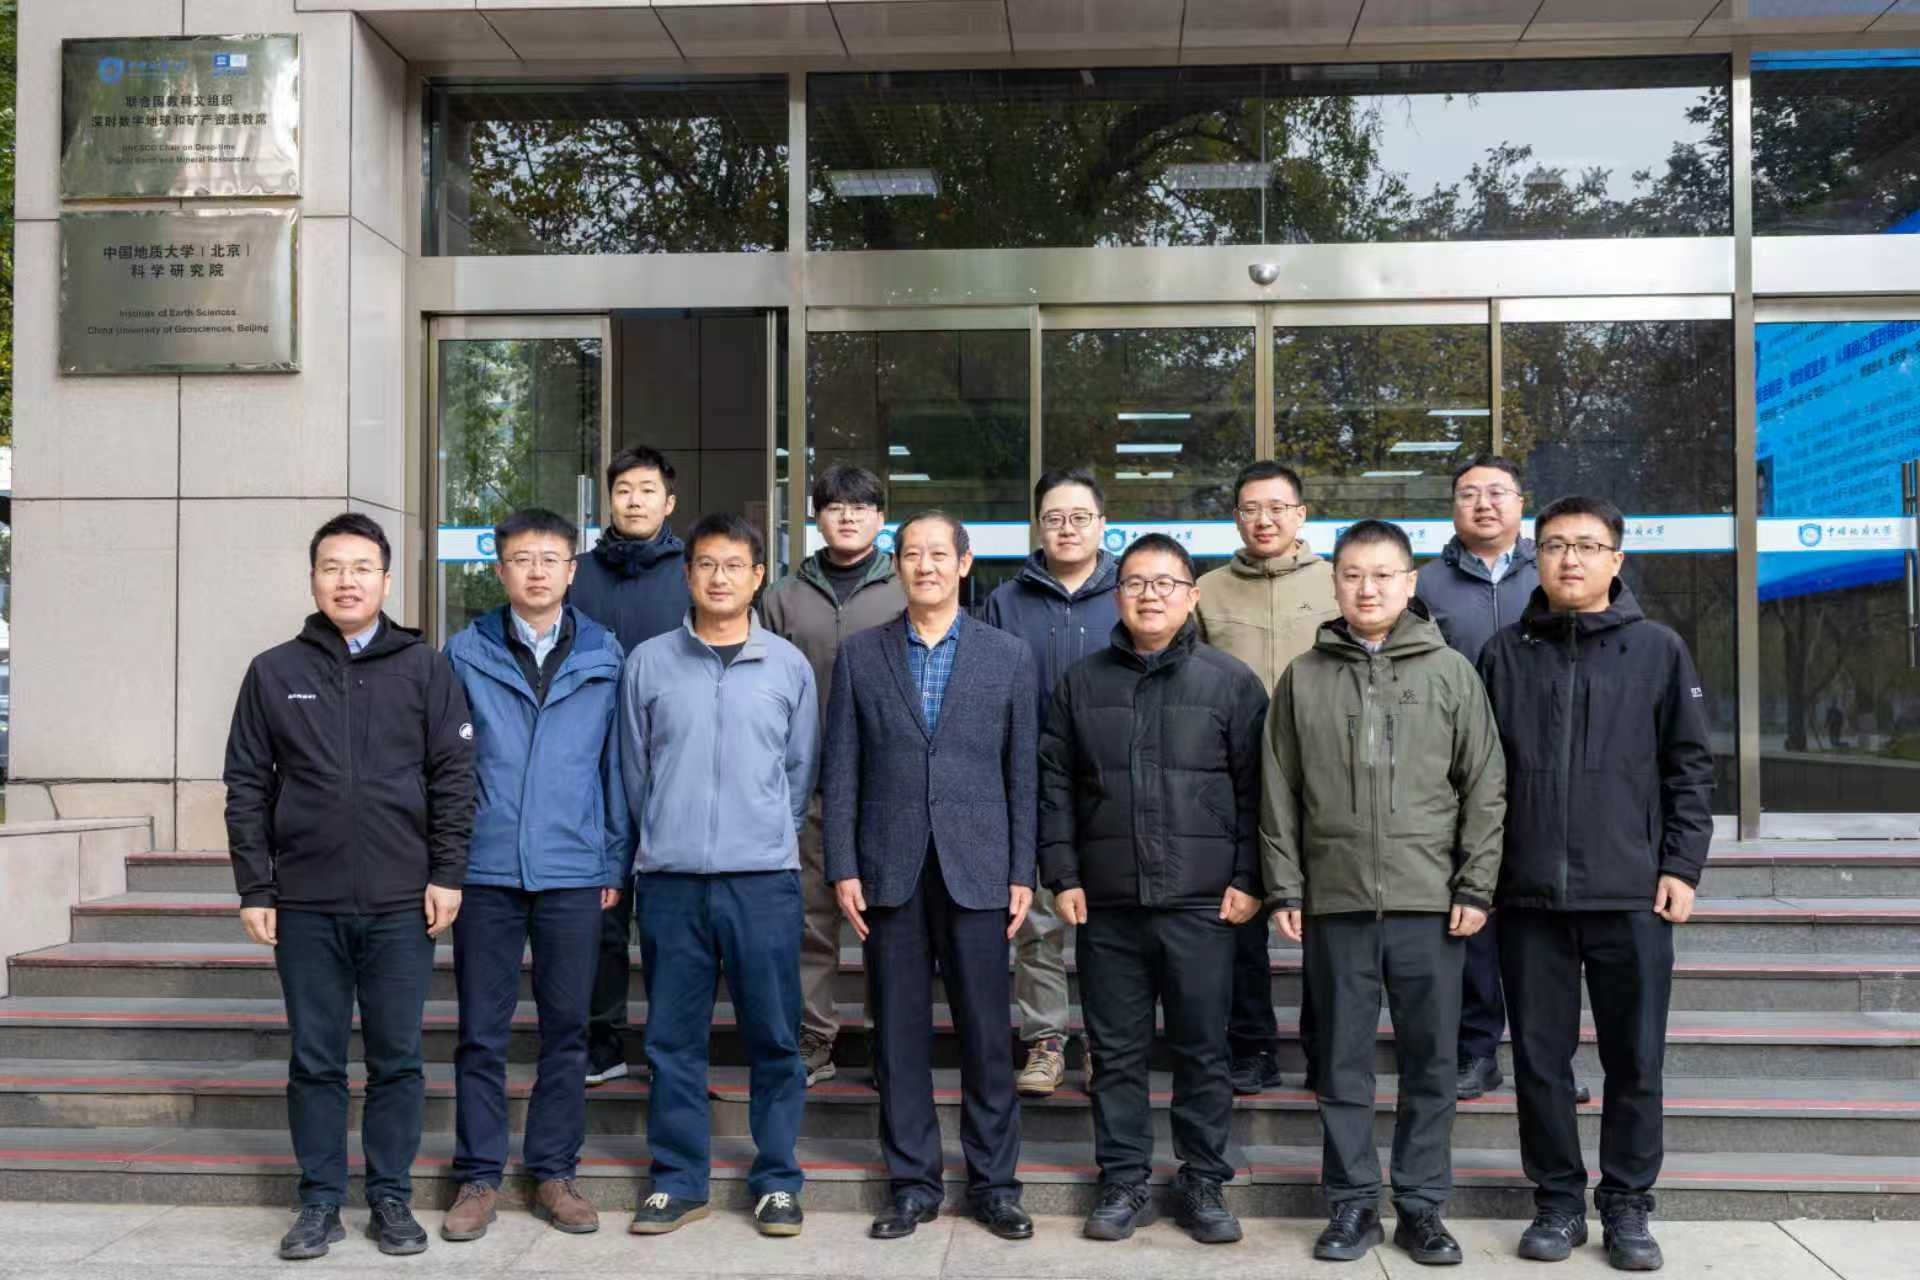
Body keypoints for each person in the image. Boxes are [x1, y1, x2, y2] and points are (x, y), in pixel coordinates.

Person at [223, 512, 475, 1261]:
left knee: (398, 1057)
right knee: (315, 1059)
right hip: (306, 902)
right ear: (313, 579)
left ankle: (391, 1197)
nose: (347, 581)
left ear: (386, 581)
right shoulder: (274, 671)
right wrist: (255, 886)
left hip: (402, 902)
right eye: (332, 567)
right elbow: (246, 785)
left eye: (362, 568)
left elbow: (454, 777)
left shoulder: (424, 668)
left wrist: (447, 874)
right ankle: (320, 1201)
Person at [1477, 496, 1714, 1272]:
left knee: (1635, 1060)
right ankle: (1555, 1201)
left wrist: (1680, 865)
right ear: (1535, 559)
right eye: (1554, 546)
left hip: (1631, 891)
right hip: (1527, 895)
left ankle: (1627, 1202)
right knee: (1540, 1062)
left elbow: (1689, 768)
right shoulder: (1503, 653)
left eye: (1586, 545)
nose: (1569, 559)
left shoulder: (1658, 650)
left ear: (1617, 558)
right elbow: (1477, 776)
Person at [1260, 518, 1504, 1267]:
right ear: (1334, 583)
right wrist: (1285, 887)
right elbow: (1278, 791)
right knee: (1341, 1063)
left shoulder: (1451, 672)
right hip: (1335, 902)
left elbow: (1485, 786)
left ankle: (1422, 1207)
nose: (1367, 589)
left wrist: (1475, 884)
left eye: (1382, 575)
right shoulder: (1303, 677)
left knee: (1431, 1063)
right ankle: (1353, 1204)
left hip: (1429, 902)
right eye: (1353, 575)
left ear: (1409, 583)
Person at [1039, 533, 1266, 1245]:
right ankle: (1123, 1179)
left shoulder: (1231, 682)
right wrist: (1062, 874)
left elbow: (1258, 792)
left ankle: (1203, 1181)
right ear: (1118, 595)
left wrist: (1250, 878)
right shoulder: (1080, 683)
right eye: (1136, 582)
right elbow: (1054, 787)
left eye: (1166, 583)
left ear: (1192, 597)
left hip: (1204, 903)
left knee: (1203, 1050)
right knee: (1116, 1053)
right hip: (1108, 903)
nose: (1150, 595)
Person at [824, 511, 1038, 1243]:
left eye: (939, 554)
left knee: (987, 1036)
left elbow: (1022, 774)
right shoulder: (861, 655)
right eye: (911, 554)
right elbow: (841, 769)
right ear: (898, 565)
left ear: (964, 562)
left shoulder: (1008, 656)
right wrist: (843, 865)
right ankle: (912, 1185)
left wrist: (1022, 868)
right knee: (897, 1038)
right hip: (890, 868)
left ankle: (995, 1186)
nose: (926, 566)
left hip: (980, 869)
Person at [619, 513, 820, 1238]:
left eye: (735, 565)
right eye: (706, 564)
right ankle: (678, 1181)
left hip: (762, 881)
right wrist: (664, 835)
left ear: (758, 576)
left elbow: (798, 772)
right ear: (687, 573)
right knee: (672, 1040)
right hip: (671, 883)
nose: (719, 577)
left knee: (775, 1037)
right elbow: (634, 772)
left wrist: (761, 833)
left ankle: (777, 1180)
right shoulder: (648, 663)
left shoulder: (788, 667)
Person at [441, 508, 633, 1243]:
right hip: (486, 869)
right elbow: (446, 768)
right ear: (500, 570)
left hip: (573, 868)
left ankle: (555, 1171)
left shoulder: (604, 653)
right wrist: (447, 861)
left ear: (572, 569)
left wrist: (612, 857)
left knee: (568, 1031)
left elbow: (617, 766)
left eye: (551, 559)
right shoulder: (464, 653)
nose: (537, 571)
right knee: (480, 1033)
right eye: (522, 559)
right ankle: (478, 1177)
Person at [760, 463, 907, 1086]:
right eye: (835, 506)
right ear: (817, 517)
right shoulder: (782, 598)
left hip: (892, 789)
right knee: (811, 922)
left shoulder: (905, 590)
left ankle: (888, 1041)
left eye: (861, 506)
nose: (848, 516)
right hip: (808, 786)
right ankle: (814, 1037)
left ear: (880, 518)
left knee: (889, 923)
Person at [1195, 461, 1338, 1095]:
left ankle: (1326, 1045)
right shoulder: (1207, 590)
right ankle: (1251, 1045)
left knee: (1329, 919)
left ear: (1301, 515)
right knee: (1241, 917)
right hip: (1237, 779)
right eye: (1251, 508)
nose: (1264, 519)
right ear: (1236, 517)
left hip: (1325, 776)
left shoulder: (1337, 583)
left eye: (1278, 507)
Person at [983, 465, 1120, 1099]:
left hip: (1114, 784)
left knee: (1107, 923)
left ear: (1102, 524)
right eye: (1054, 518)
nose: (1067, 529)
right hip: (1032, 783)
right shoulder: (1005, 602)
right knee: (1037, 919)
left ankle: (1105, 1041)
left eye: (1080, 518)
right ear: (1037, 526)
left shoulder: (1129, 591)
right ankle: (1045, 1041)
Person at [1412, 455, 1539, 1103]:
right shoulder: (1425, 584)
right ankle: (1477, 1047)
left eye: (1497, 492)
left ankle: (1548, 1058)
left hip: (1545, 767)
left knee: (1541, 919)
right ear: (1453, 506)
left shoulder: (1556, 571)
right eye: (1469, 494)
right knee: (1472, 910)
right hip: (1455, 773)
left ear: (1521, 502)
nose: (1483, 504)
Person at [569, 446, 693, 1088]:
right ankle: (603, 1040)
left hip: (674, 761)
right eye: (624, 490)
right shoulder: (578, 573)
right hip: (590, 764)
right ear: (608, 500)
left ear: (669, 502)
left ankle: (672, 1044)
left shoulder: (691, 572)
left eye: (647, 490)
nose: (635, 500)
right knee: (602, 911)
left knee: (672, 917)